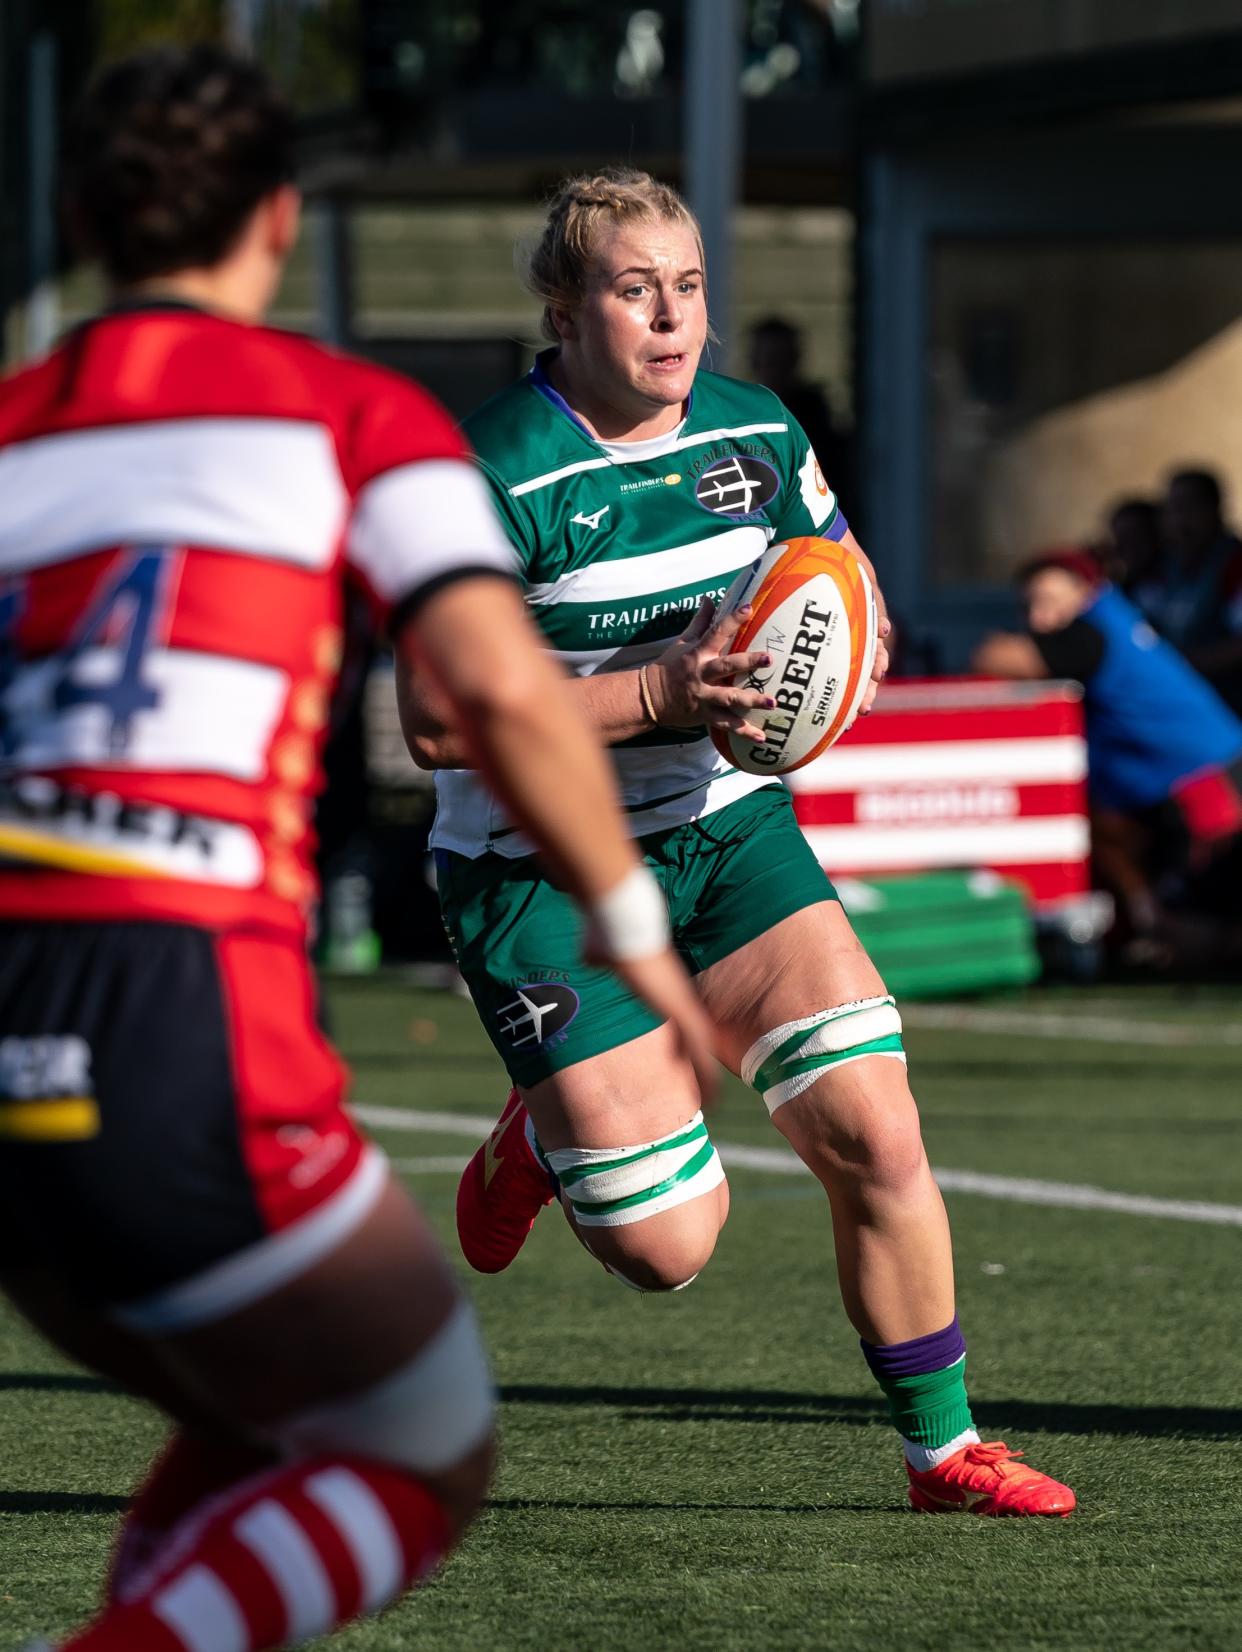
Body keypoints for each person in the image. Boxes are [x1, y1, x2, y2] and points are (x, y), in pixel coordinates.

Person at [0, 54, 716, 1652]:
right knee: (421, 1446)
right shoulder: (347, 418)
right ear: (277, 216)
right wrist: (633, 926)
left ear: (78, 222)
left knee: (258, 1412)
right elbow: (488, 692)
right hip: (171, 1000)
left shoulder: (10, 432)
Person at [403, 168, 1075, 1518]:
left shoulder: (758, 432)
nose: (670, 317)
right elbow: (430, 718)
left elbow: (836, 571)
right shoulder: (484, 471)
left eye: (690, 286)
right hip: (541, 872)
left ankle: (941, 1454)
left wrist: (850, 638)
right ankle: (536, 1141)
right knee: (669, 1249)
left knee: (875, 1131)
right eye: (633, 289)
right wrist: (657, 693)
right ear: (564, 308)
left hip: (724, 832)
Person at [973, 550, 1242, 957]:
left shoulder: (1089, 631)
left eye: (1048, 602)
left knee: (1206, 921)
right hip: (1195, 773)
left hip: (1201, 785)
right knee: (1107, 833)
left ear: (1085, 592)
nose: (1037, 619)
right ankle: (1150, 923)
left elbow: (994, 658)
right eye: (1028, 606)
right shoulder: (1116, 618)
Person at [1142, 469, 1242, 714]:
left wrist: (1182, 665)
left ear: (1215, 509)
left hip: (1228, 711)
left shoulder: (1234, 565)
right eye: (1173, 509)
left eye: (1190, 507)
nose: (1180, 520)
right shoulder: (1165, 569)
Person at [748, 313, 849, 504]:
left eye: (783, 359)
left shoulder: (816, 419)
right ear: (754, 362)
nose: (777, 369)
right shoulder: (742, 417)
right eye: (770, 360)